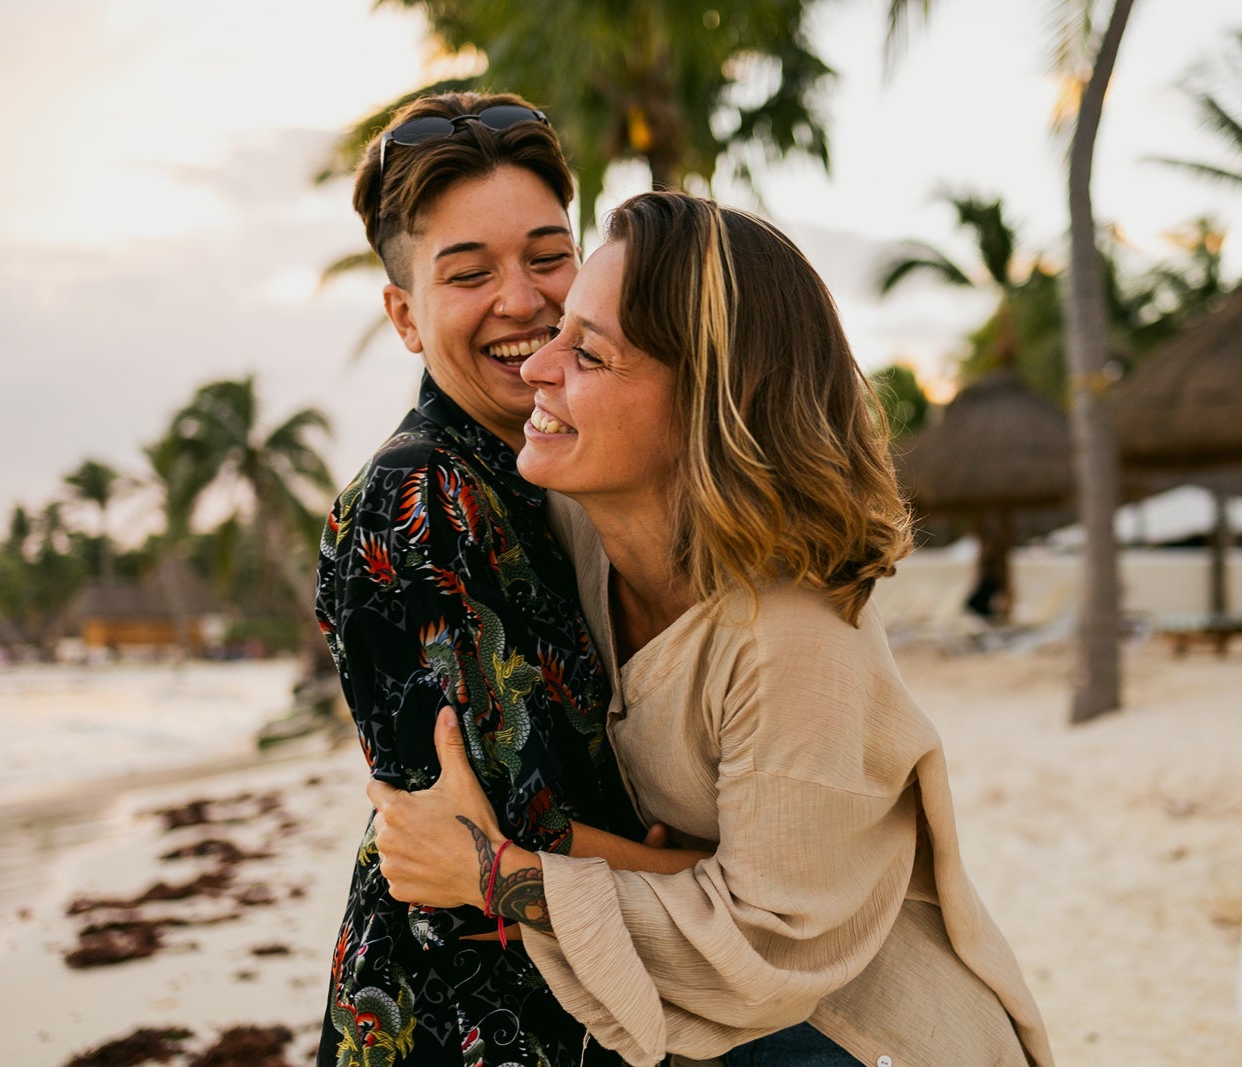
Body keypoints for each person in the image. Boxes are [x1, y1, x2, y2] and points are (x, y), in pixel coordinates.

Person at [367, 191, 1056, 1067]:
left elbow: (765, 948)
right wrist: (667, 870)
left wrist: (495, 875)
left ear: (705, 402)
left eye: (589, 352)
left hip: (857, 1036)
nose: (540, 365)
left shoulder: (794, 637)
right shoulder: (569, 532)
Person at [314, 91, 697, 1067]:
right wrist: (724, 878)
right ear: (404, 314)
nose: (522, 300)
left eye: (546, 254)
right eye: (468, 272)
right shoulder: (421, 498)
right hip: (472, 1018)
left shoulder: (554, 468)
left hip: (599, 989)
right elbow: (518, 833)